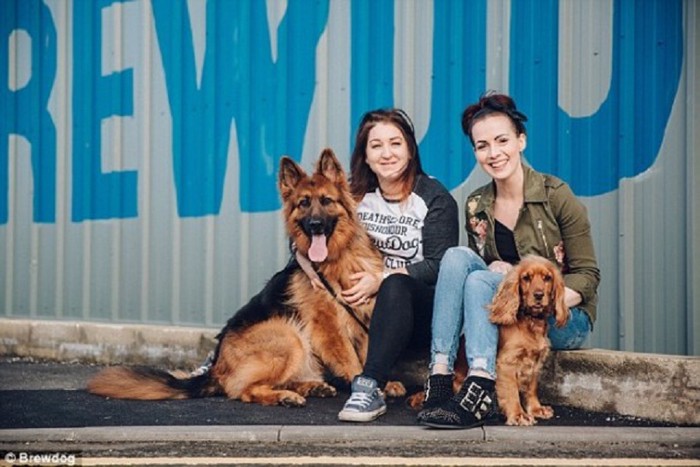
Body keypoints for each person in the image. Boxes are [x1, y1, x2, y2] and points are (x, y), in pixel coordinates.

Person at [416, 92, 600, 429]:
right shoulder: (476, 205)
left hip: (561, 318)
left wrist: (545, 301)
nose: (494, 153)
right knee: (458, 258)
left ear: (521, 140)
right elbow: (484, 288)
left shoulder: (556, 195)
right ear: (475, 152)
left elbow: (588, 276)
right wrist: (497, 274)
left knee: (479, 280)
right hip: (508, 316)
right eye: (482, 145)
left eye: (502, 140)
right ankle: (441, 374)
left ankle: (480, 381)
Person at [298, 108, 459, 422]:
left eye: (395, 144)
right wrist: (304, 262)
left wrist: (381, 278)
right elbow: (312, 230)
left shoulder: (434, 198)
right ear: (365, 156)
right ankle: (220, 353)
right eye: (376, 146)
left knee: (396, 285)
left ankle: (368, 386)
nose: (387, 154)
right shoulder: (356, 196)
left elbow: (441, 265)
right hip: (370, 313)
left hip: (421, 312)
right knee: (291, 282)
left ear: (410, 150)